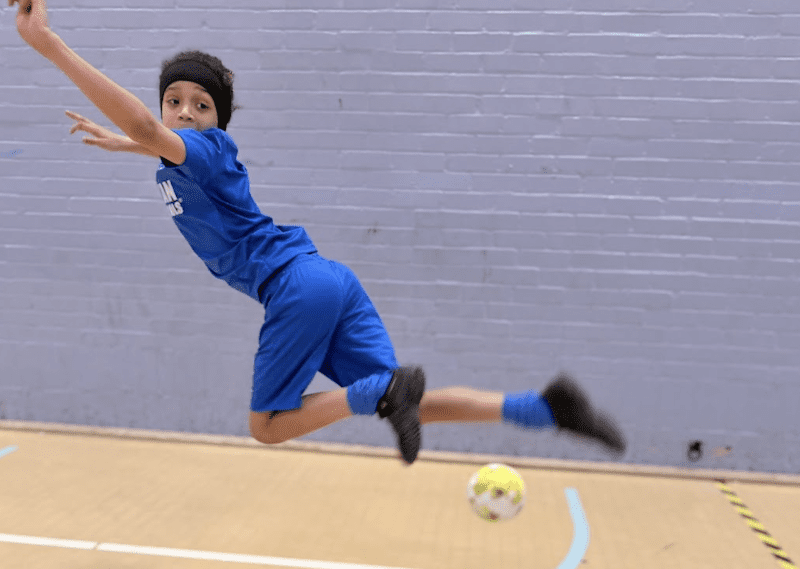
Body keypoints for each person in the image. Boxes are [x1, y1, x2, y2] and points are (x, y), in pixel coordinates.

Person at [9, 0, 626, 464]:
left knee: (269, 425)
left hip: (295, 289)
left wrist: (50, 46)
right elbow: (153, 140)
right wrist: (128, 143)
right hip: (328, 280)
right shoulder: (186, 158)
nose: (187, 111)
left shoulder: (211, 150)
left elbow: (151, 130)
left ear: (219, 119)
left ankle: (384, 389)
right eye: (176, 100)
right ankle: (545, 407)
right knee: (403, 402)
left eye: (203, 104)